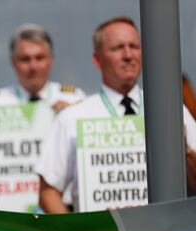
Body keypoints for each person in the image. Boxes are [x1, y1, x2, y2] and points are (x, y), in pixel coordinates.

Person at [36, 16, 196, 213]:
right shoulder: (74, 117)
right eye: (118, 48)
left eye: (134, 46)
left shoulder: (171, 110)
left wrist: (185, 149)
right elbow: (48, 192)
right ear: (97, 59)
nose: (128, 55)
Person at [0, 23, 85, 111]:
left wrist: (70, 116)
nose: (33, 66)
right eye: (25, 59)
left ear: (51, 59)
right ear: (13, 62)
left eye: (40, 58)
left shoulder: (74, 98)